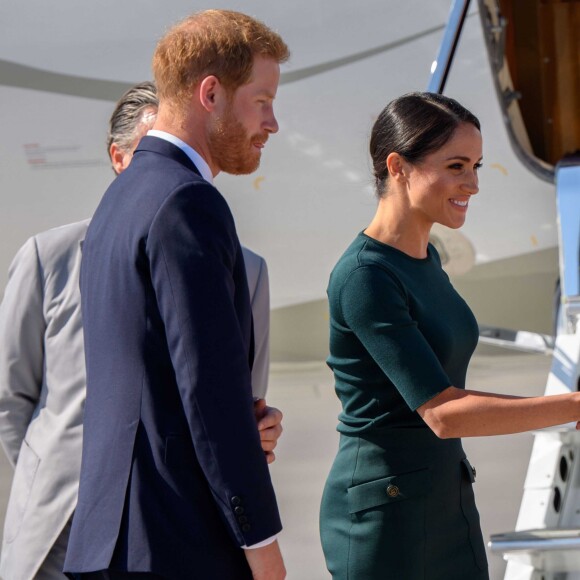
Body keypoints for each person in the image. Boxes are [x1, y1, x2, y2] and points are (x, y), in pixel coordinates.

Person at [0, 80, 279, 580]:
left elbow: (238, 397)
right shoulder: (49, 257)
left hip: (167, 526)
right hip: (59, 522)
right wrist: (55, 473)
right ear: (118, 158)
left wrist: (255, 429)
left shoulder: (247, 269)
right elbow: (11, 394)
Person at [63, 10, 289, 580]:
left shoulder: (121, 199)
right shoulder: (187, 203)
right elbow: (206, 390)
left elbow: (147, 378)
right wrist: (262, 544)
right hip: (177, 544)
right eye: (262, 101)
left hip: (113, 542)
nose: (273, 123)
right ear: (211, 93)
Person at [319, 92, 580, 580]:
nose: (473, 184)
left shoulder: (426, 258)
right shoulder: (365, 277)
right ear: (398, 166)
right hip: (386, 517)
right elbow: (441, 412)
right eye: (457, 166)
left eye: (477, 165)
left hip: (447, 499)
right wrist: (572, 408)